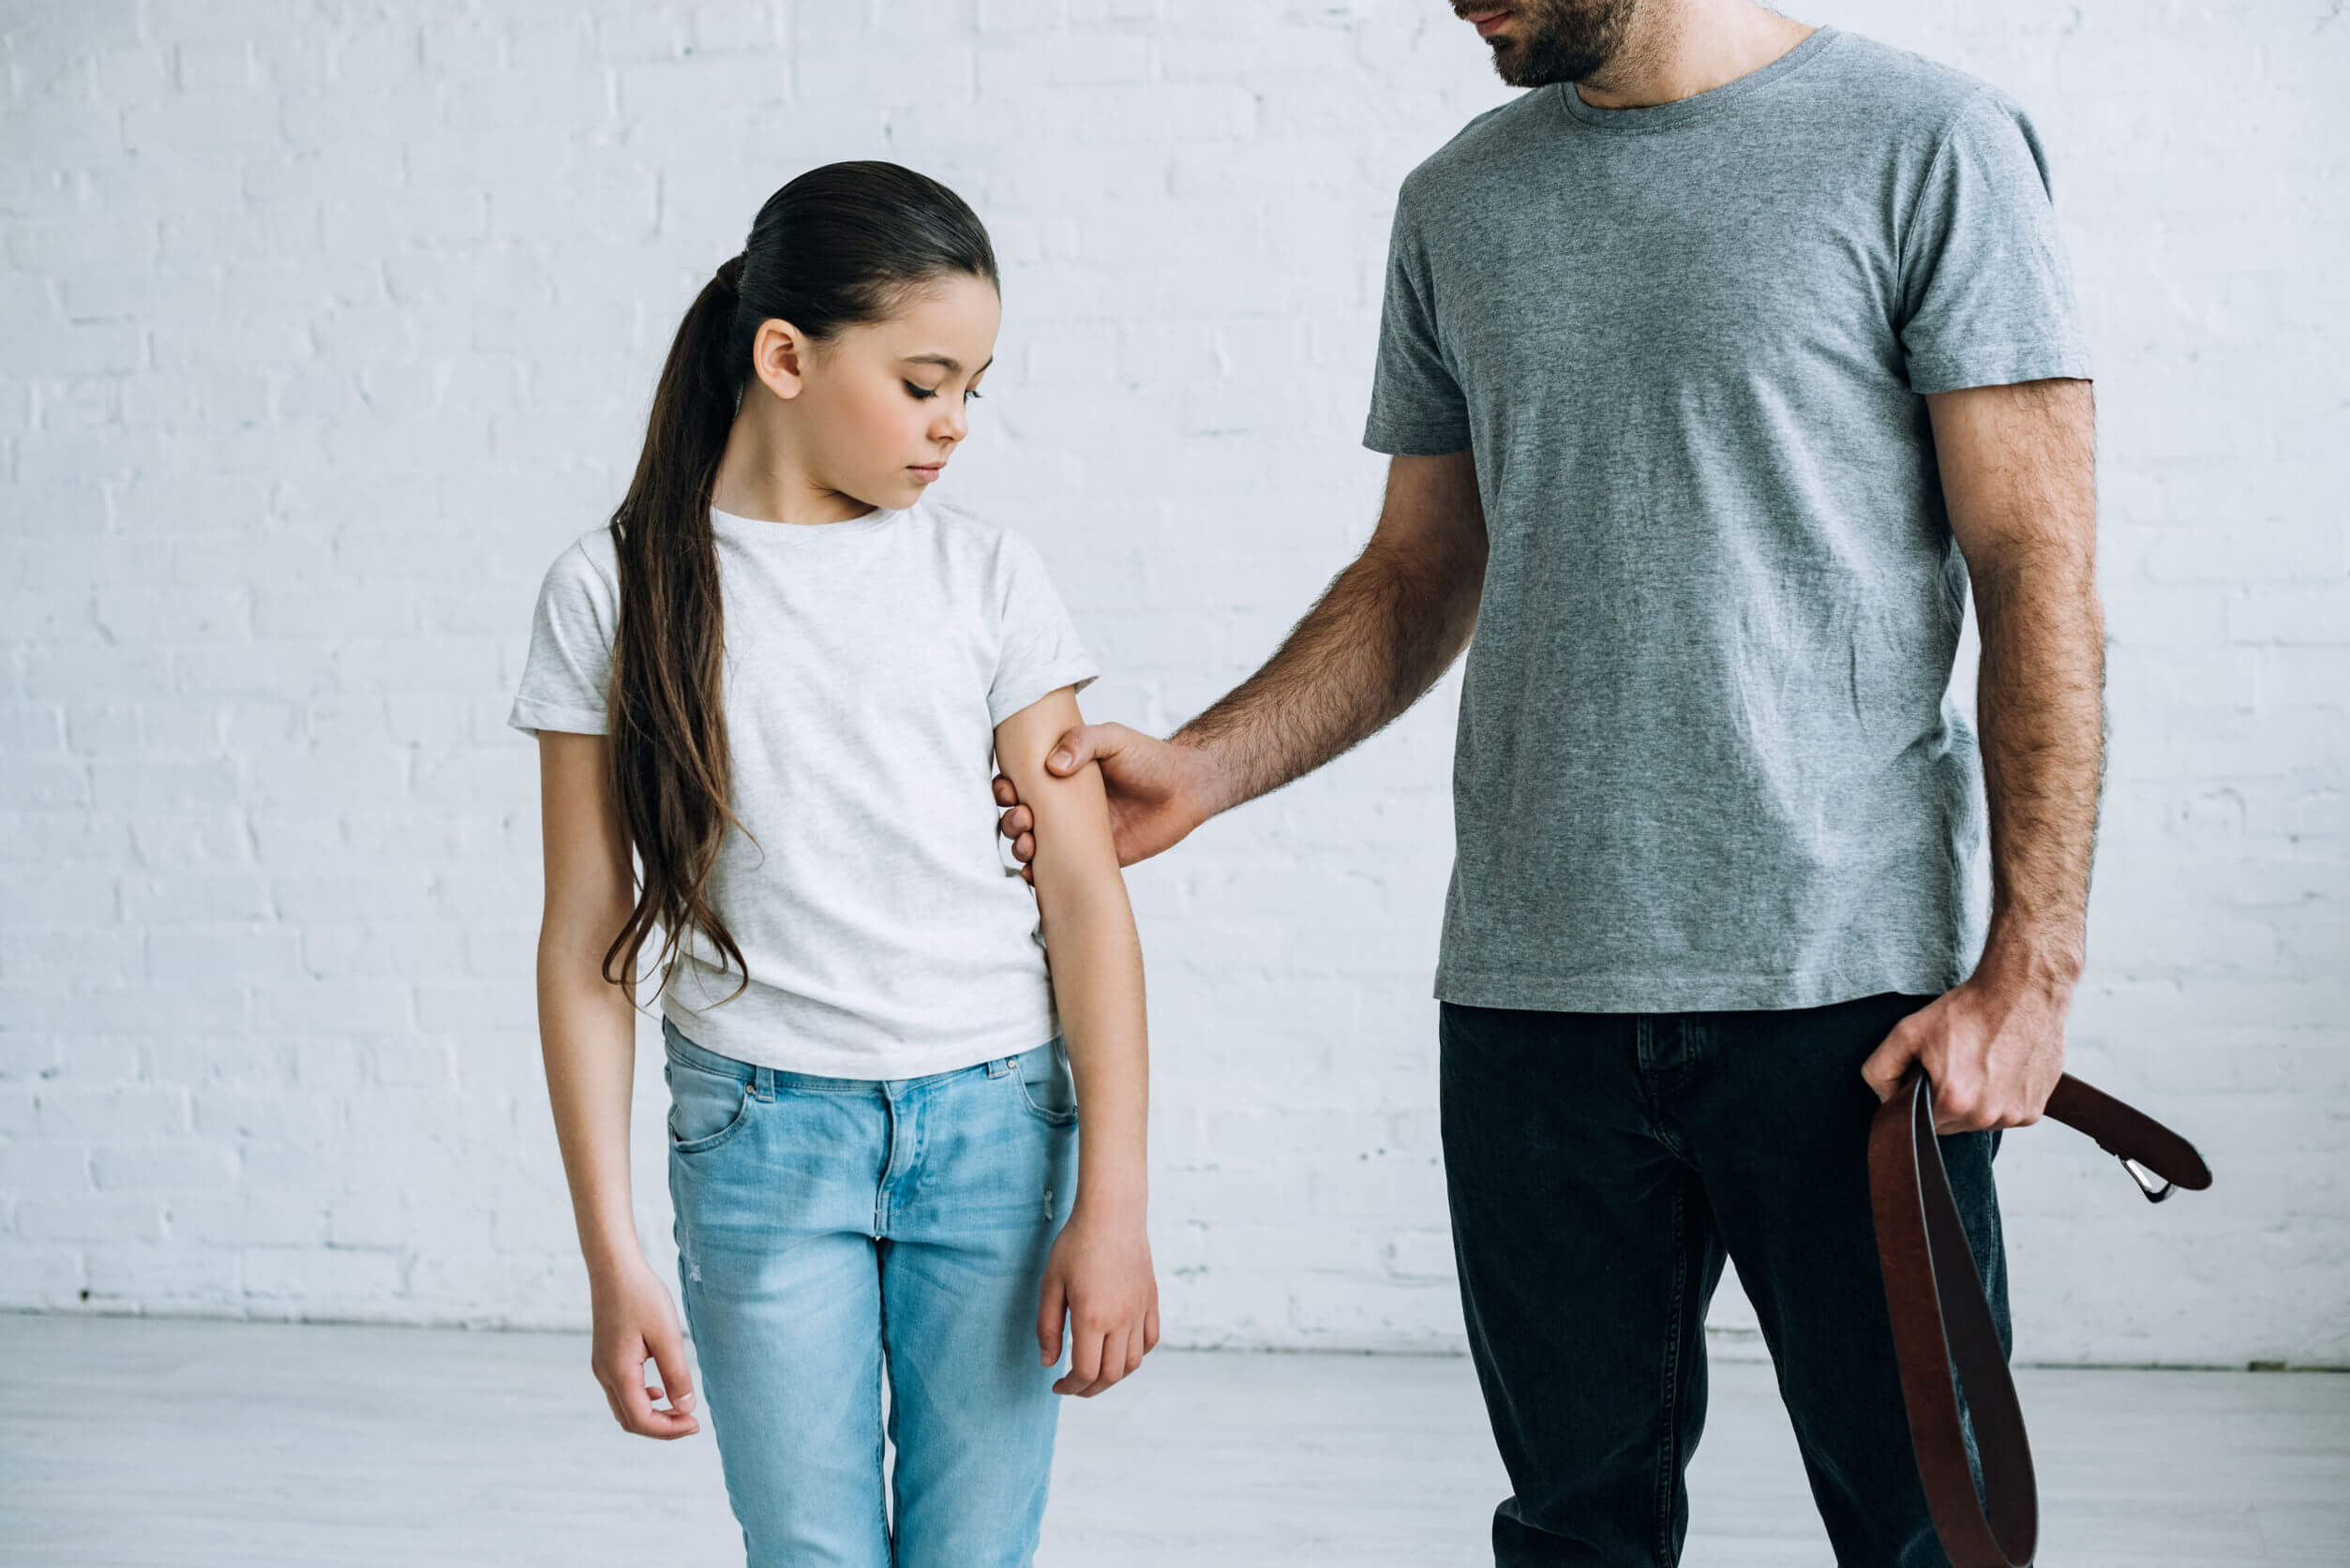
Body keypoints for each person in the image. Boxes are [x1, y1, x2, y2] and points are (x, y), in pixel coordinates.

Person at [990, 3, 2101, 1563]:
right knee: (1576, 1534)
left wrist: (2029, 972)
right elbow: (1421, 565)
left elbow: (2035, 571)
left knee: (1936, 1535)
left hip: (1853, 1008)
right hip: (1532, 1003)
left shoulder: (1930, 146)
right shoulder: (1461, 201)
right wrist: (1205, 765)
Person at [507, 160, 1157, 1568]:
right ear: (784, 356)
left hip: (991, 1127)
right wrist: (610, 1256)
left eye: (975, 389)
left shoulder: (987, 577)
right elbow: (585, 938)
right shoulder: (609, 589)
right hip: (754, 1139)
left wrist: (1113, 1198)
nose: (954, 426)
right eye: (926, 381)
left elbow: (1086, 897)